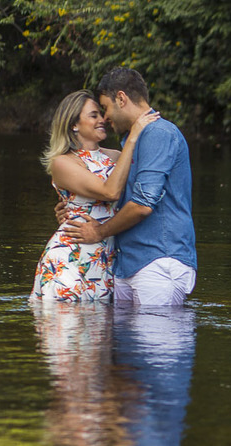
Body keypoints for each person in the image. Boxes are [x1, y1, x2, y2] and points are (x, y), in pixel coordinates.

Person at [64, 68, 197, 306]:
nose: (105, 118)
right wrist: (72, 209)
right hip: (127, 264)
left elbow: (143, 205)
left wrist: (99, 232)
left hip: (158, 261)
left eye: (105, 108)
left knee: (155, 329)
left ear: (121, 98)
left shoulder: (158, 133)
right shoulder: (132, 141)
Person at [31, 89, 157, 302]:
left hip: (105, 259)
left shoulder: (116, 157)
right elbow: (110, 192)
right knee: (64, 321)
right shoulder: (62, 162)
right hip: (70, 256)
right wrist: (133, 136)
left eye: (101, 113)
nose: (103, 119)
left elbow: (141, 194)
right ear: (74, 124)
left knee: (98, 323)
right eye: (94, 115)